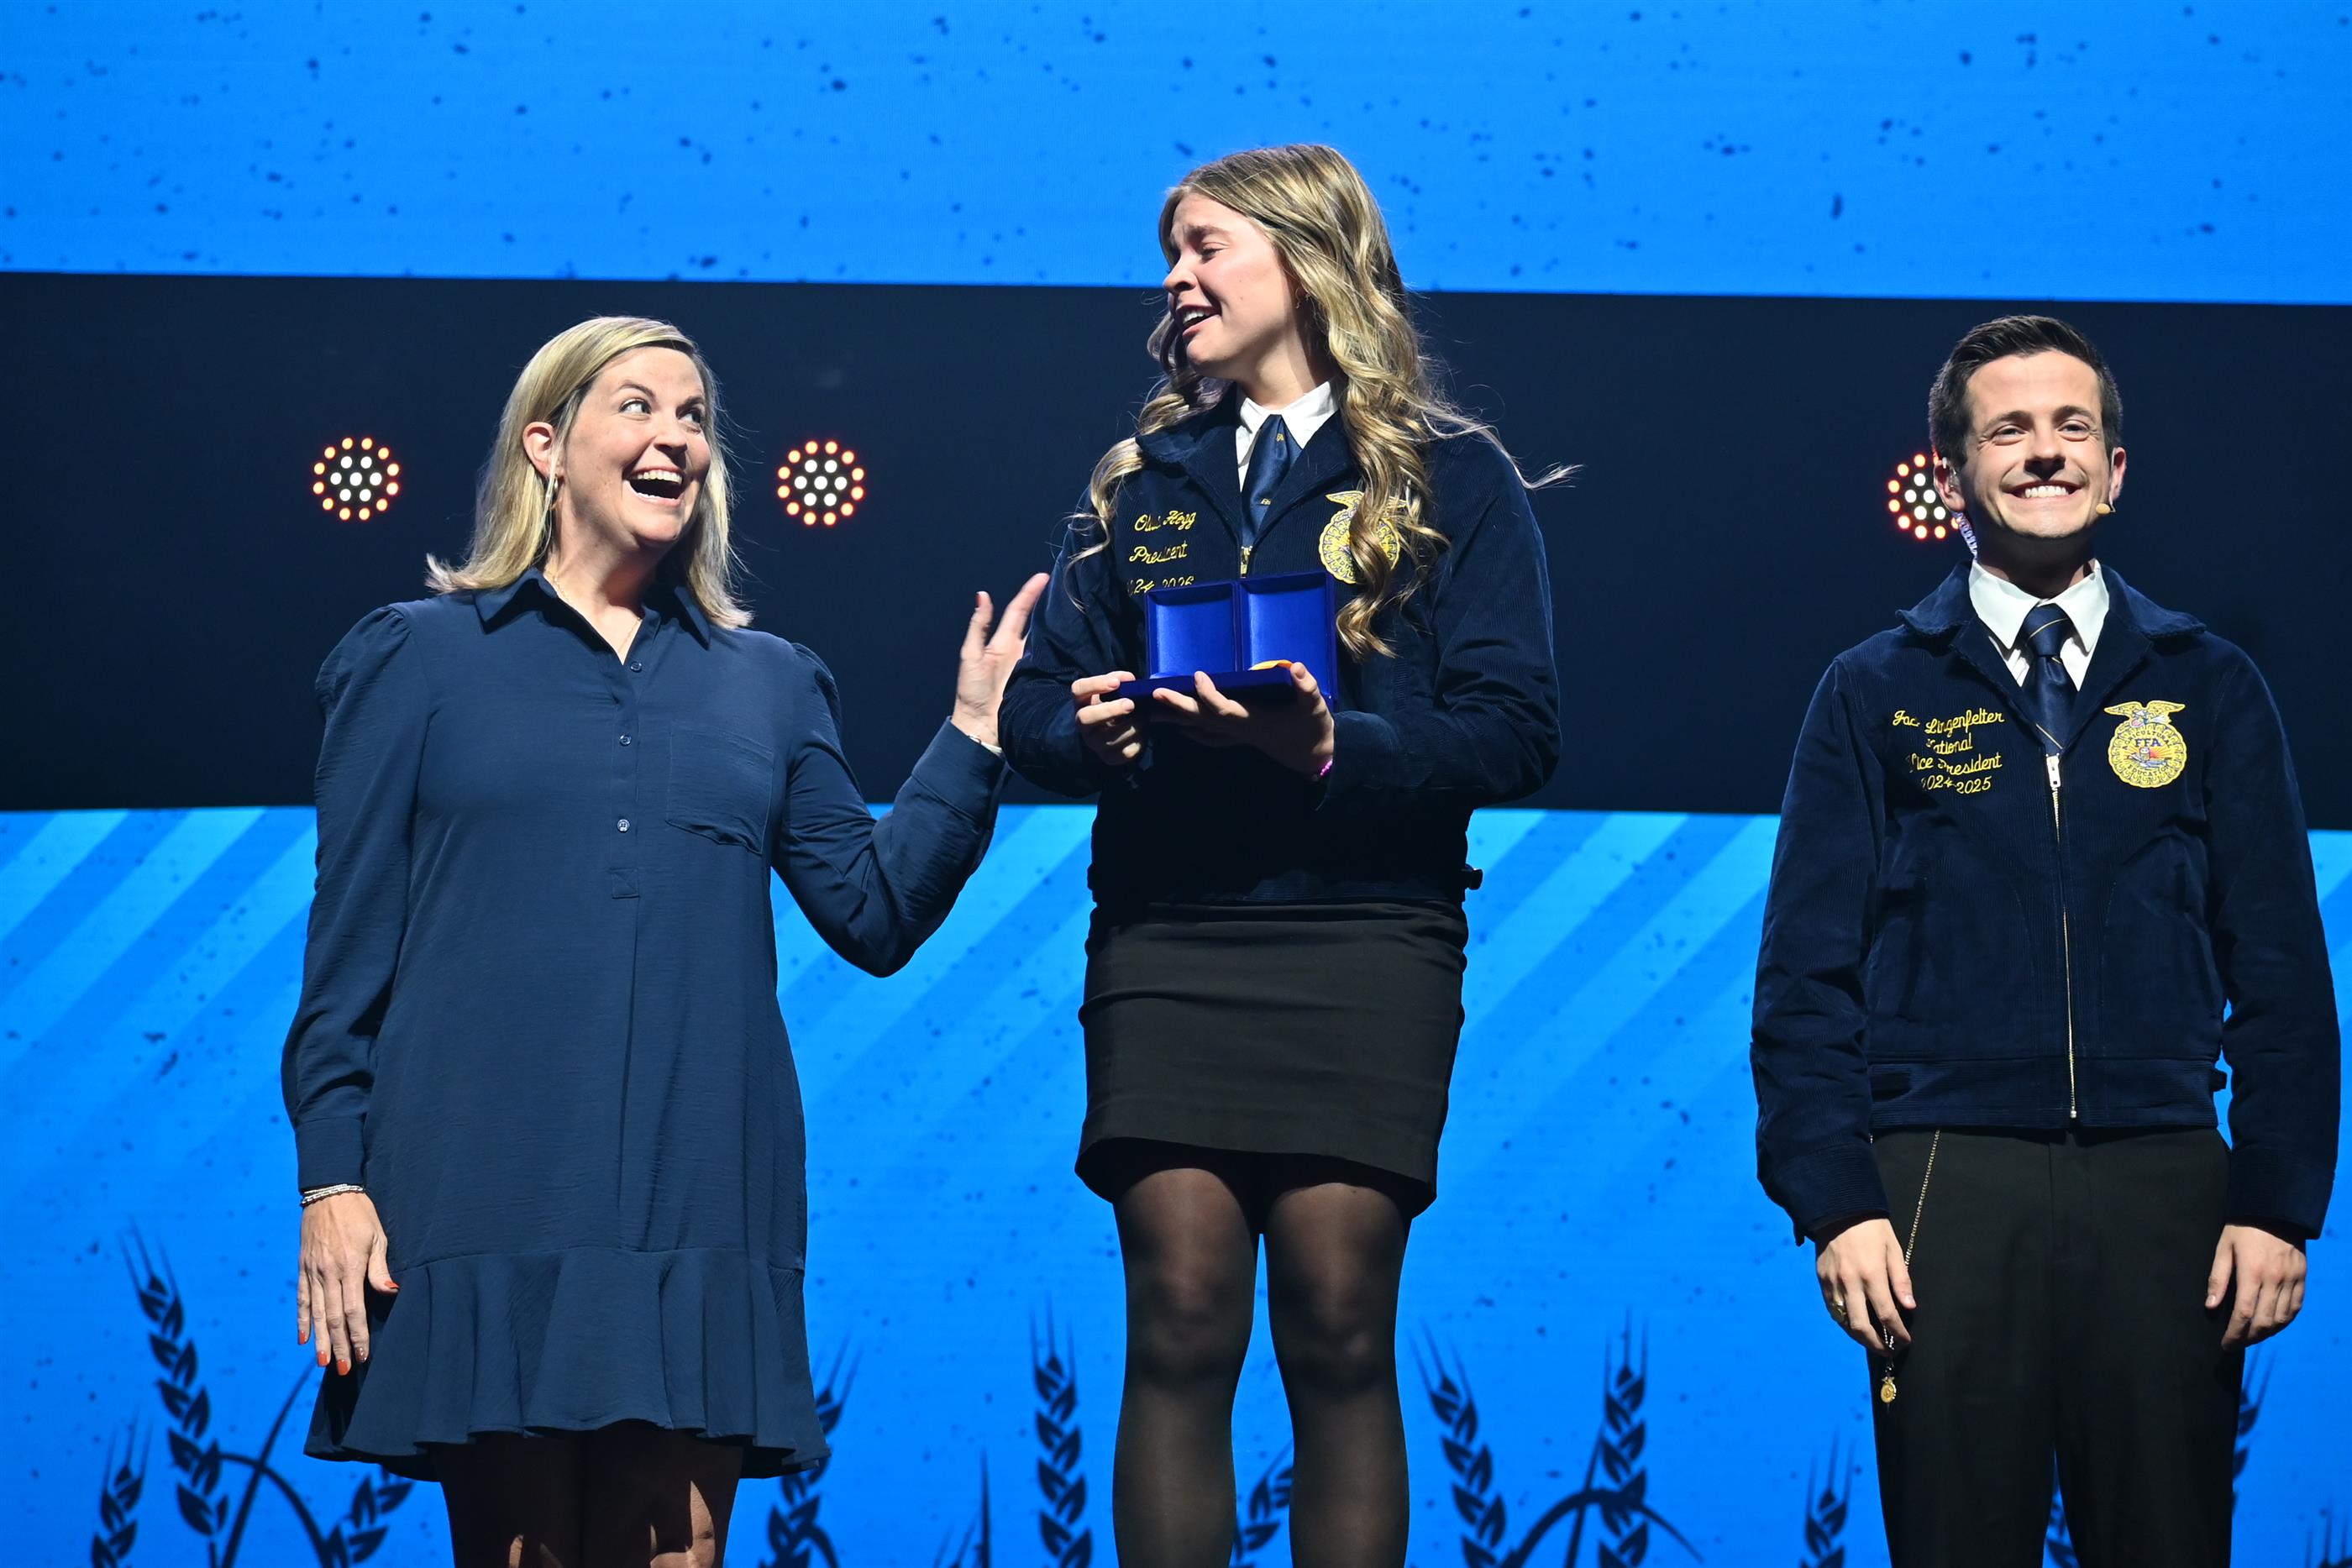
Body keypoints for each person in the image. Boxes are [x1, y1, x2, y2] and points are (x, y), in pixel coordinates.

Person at [282, 315, 1046, 1567]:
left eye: (693, 417)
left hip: (703, 1188)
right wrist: (333, 1180)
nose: (674, 437)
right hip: (489, 1181)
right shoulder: (418, 657)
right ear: (547, 445)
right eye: (636, 405)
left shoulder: (771, 679)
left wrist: (972, 736)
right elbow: (347, 955)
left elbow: (873, 912)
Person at [999, 144, 1561, 1566]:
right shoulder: (1138, 483)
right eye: (1171, 255)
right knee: (1179, 1316)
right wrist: (1090, 735)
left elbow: (1513, 732)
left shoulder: (1451, 479)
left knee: (1337, 1319)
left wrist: (1327, 746)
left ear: (1307, 263)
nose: (1175, 281)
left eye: (1207, 249)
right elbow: (1032, 711)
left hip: (1365, 938)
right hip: (1170, 936)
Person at [1750, 314, 2338, 1565]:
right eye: (2008, 430)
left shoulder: (2209, 683)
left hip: (2166, 1187)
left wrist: (2278, 1203)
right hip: (1942, 1189)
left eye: (2074, 427)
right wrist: (1837, 1202)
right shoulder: (1873, 690)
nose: (2046, 452)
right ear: (1953, 473)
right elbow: (1805, 981)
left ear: (2115, 470)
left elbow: (2283, 968)